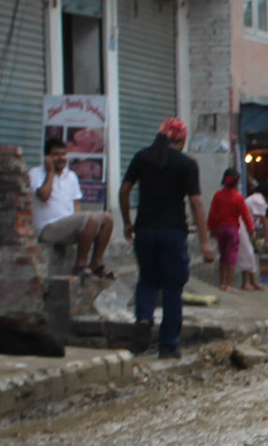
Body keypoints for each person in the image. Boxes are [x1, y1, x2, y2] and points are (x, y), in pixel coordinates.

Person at [118, 116, 214, 359]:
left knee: (147, 280)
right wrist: (204, 241)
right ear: (181, 139)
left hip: (145, 231)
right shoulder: (186, 164)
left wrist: (128, 222)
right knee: (172, 288)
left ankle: (143, 318)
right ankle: (168, 344)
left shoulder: (142, 157)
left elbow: (124, 189)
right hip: (173, 233)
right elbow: (196, 202)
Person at [32, 134, 115, 277]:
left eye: (63, 154)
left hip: (68, 228)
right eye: (55, 155)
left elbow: (76, 204)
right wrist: (51, 172)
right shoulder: (36, 173)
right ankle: (79, 265)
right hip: (47, 229)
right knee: (91, 218)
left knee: (107, 219)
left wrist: (83, 225)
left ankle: (96, 263)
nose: (60, 158)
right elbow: (44, 196)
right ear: (47, 157)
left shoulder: (71, 176)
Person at [208, 167, 255, 293]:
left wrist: (211, 228)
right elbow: (245, 215)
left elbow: (212, 214)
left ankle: (222, 283)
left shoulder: (217, 196)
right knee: (232, 257)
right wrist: (251, 229)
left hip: (220, 229)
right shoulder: (238, 197)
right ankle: (229, 284)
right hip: (232, 229)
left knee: (223, 256)